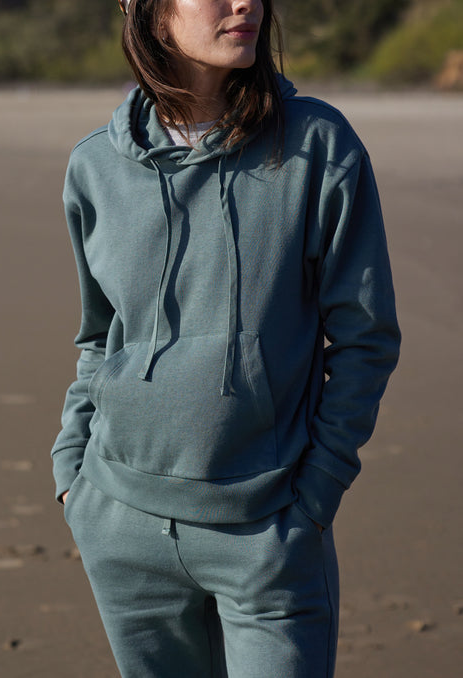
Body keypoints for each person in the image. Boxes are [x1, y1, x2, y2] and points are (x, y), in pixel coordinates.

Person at [51, 1, 401, 676]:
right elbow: (99, 337)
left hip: (268, 528)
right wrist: (73, 473)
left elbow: (366, 337)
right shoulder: (94, 166)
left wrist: (317, 492)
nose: (246, 2)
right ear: (151, 13)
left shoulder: (316, 144)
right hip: (120, 524)